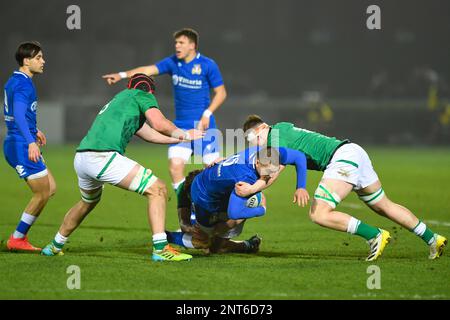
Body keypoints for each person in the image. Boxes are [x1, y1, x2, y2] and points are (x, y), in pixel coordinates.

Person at [41, 74, 203, 262]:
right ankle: (160, 249)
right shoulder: (143, 95)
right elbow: (159, 124)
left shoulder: (121, 100)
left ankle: (55, 245)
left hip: (82, 158)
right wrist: (184, 134)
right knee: (158, 189)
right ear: (150, 91)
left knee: (87, 202)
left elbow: (149, 134)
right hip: (102, 156)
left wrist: (177, 139)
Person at [241, 115, 447, 261]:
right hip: (352, 151)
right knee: (384, 205)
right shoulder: (281, 129)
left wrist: (251, 190)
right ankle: (433, 239)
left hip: (341, 159)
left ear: (263, 128)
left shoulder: (275, 137)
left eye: (255, 138)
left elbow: (272, 173)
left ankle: (374, 235)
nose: (258, 145)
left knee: (319, 214)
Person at [102, 28, 227, 199]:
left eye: (181, 42)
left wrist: (207, 113)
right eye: (176, 42)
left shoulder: (207, 64)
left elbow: (221, 93)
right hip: (180, 126)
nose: (177, 46)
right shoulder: (173, 62)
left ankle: (220, 210)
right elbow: (147, 69)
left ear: (192, 45)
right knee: (175, 167)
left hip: (204, 126)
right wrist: (121, 75)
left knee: (212, 169)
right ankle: (187, 215)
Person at [166, 146, 309, 254]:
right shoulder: (244, 179)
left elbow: (299, 156)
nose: (269, 175)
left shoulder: (266, 151)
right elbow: (234, 213)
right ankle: (168, 236)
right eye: (267, 171)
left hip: (214, 185)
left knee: (216, 245)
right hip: (204, 198)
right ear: (258, 162)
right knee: (203, 241)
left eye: (273, 171)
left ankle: (229, 243)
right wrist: (261, 210)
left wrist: (301, 187)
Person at [3, 41, 56, 252]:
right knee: (42, 193)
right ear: (26, 61)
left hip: (19, 140)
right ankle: (17, 238)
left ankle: (18, 237)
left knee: (50, 187)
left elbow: (20, 113)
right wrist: (31, 141)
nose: (43, 61)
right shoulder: (24, 84)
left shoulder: (15, 80)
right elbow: (17, 113)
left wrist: (34, 131)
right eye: (38, 58)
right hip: (21, 145)